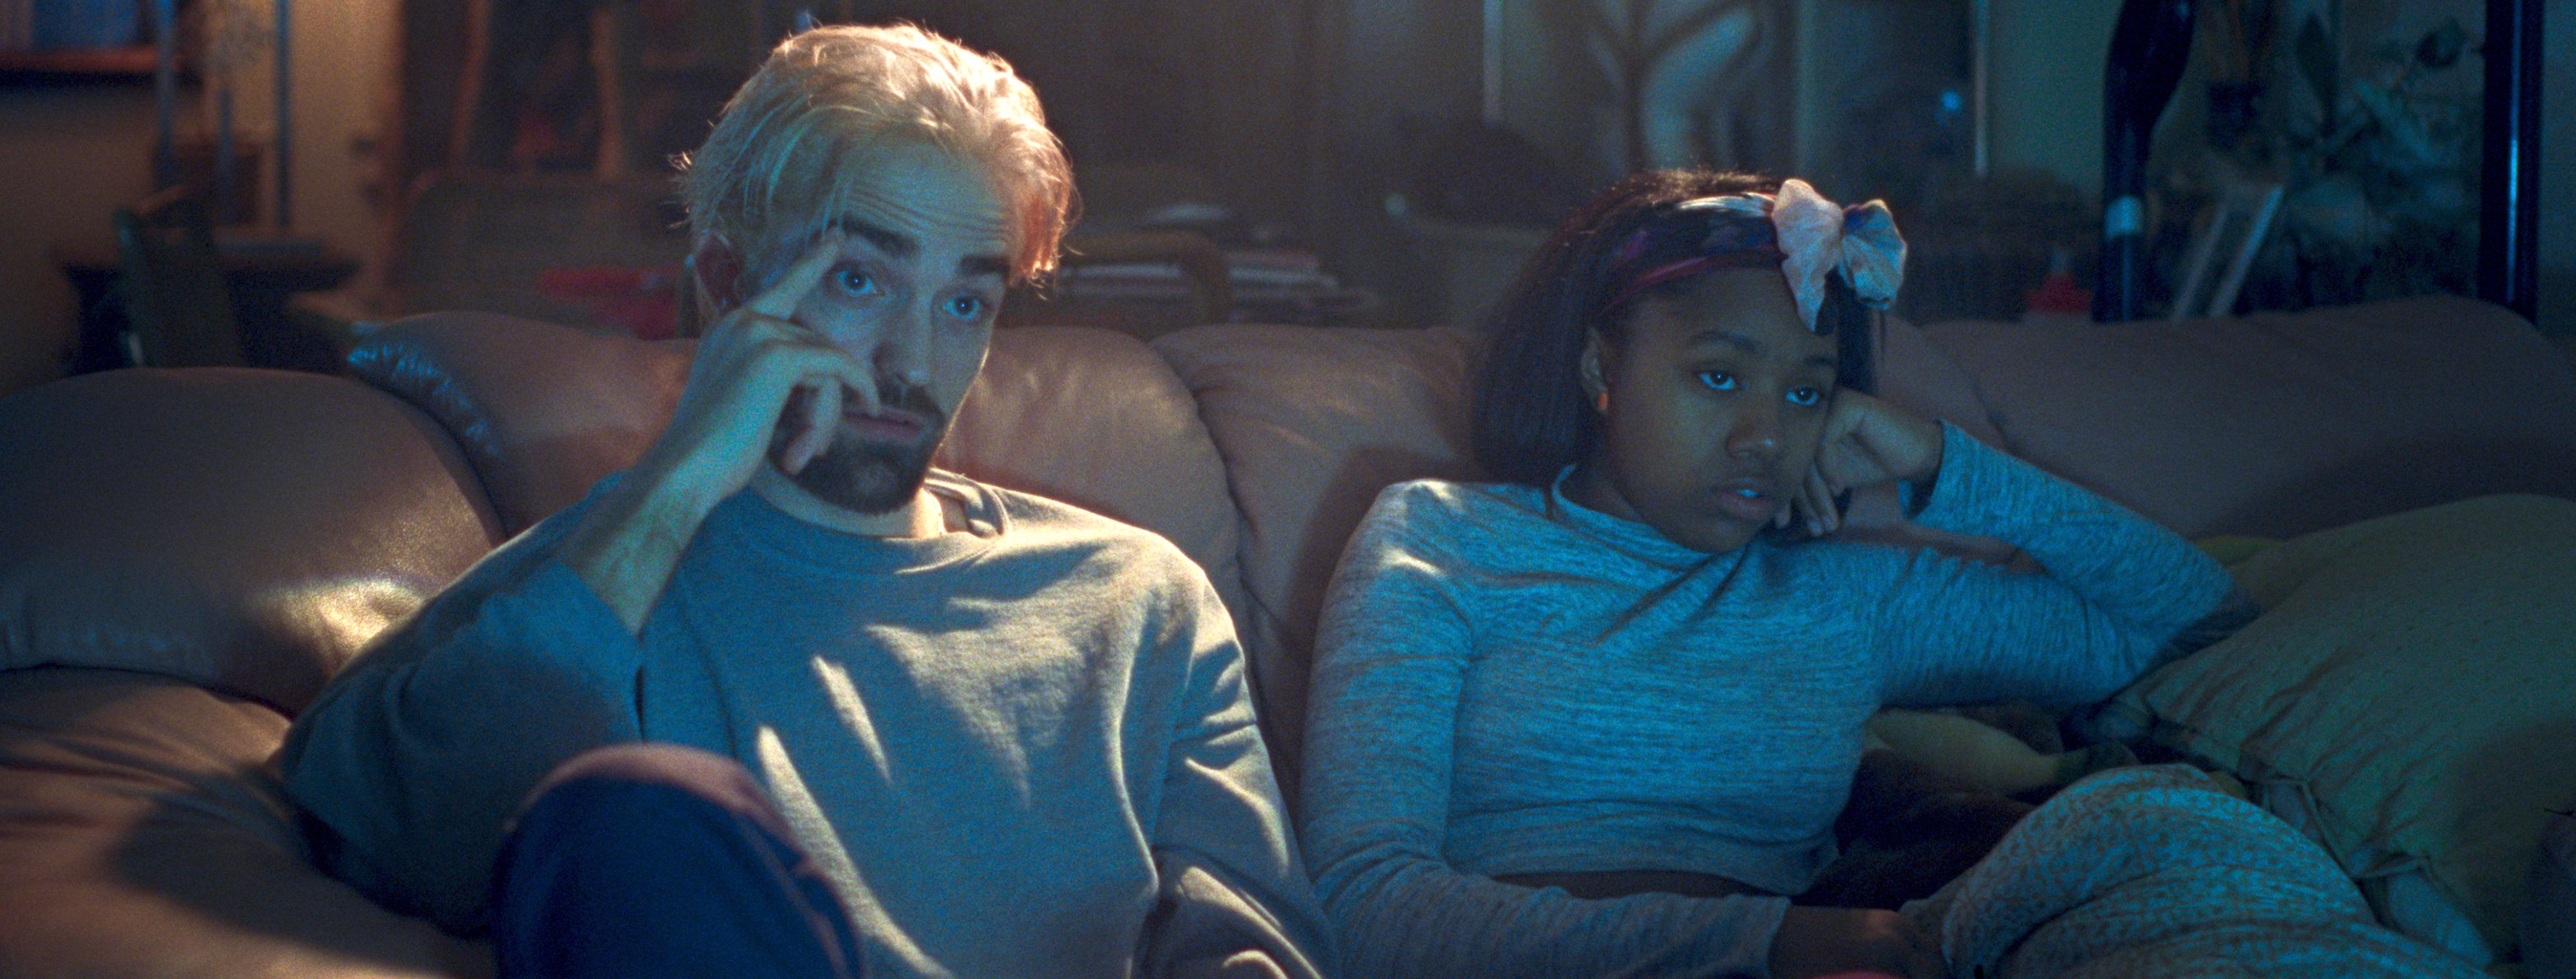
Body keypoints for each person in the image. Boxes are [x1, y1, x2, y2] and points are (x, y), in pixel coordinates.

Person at [278, 24, 1330, 979]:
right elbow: (382, 833)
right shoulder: (599, 583)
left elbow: (1258, 953)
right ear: (728, 284)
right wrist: (680, 479)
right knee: (634, 815)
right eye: (860, 281)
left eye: (966, 301)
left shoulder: (1138, 600)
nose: (913, 360)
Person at [1296, 169, 2251, 978]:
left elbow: (2198, 626)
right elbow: (1364, 903)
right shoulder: (1439, 542)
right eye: (1719, 376)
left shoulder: (1845, 599)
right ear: (1600, 368)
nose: (1765, 437)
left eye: (1805, 393)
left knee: (2187, 833)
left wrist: (1938, 461)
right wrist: (1770, 940)